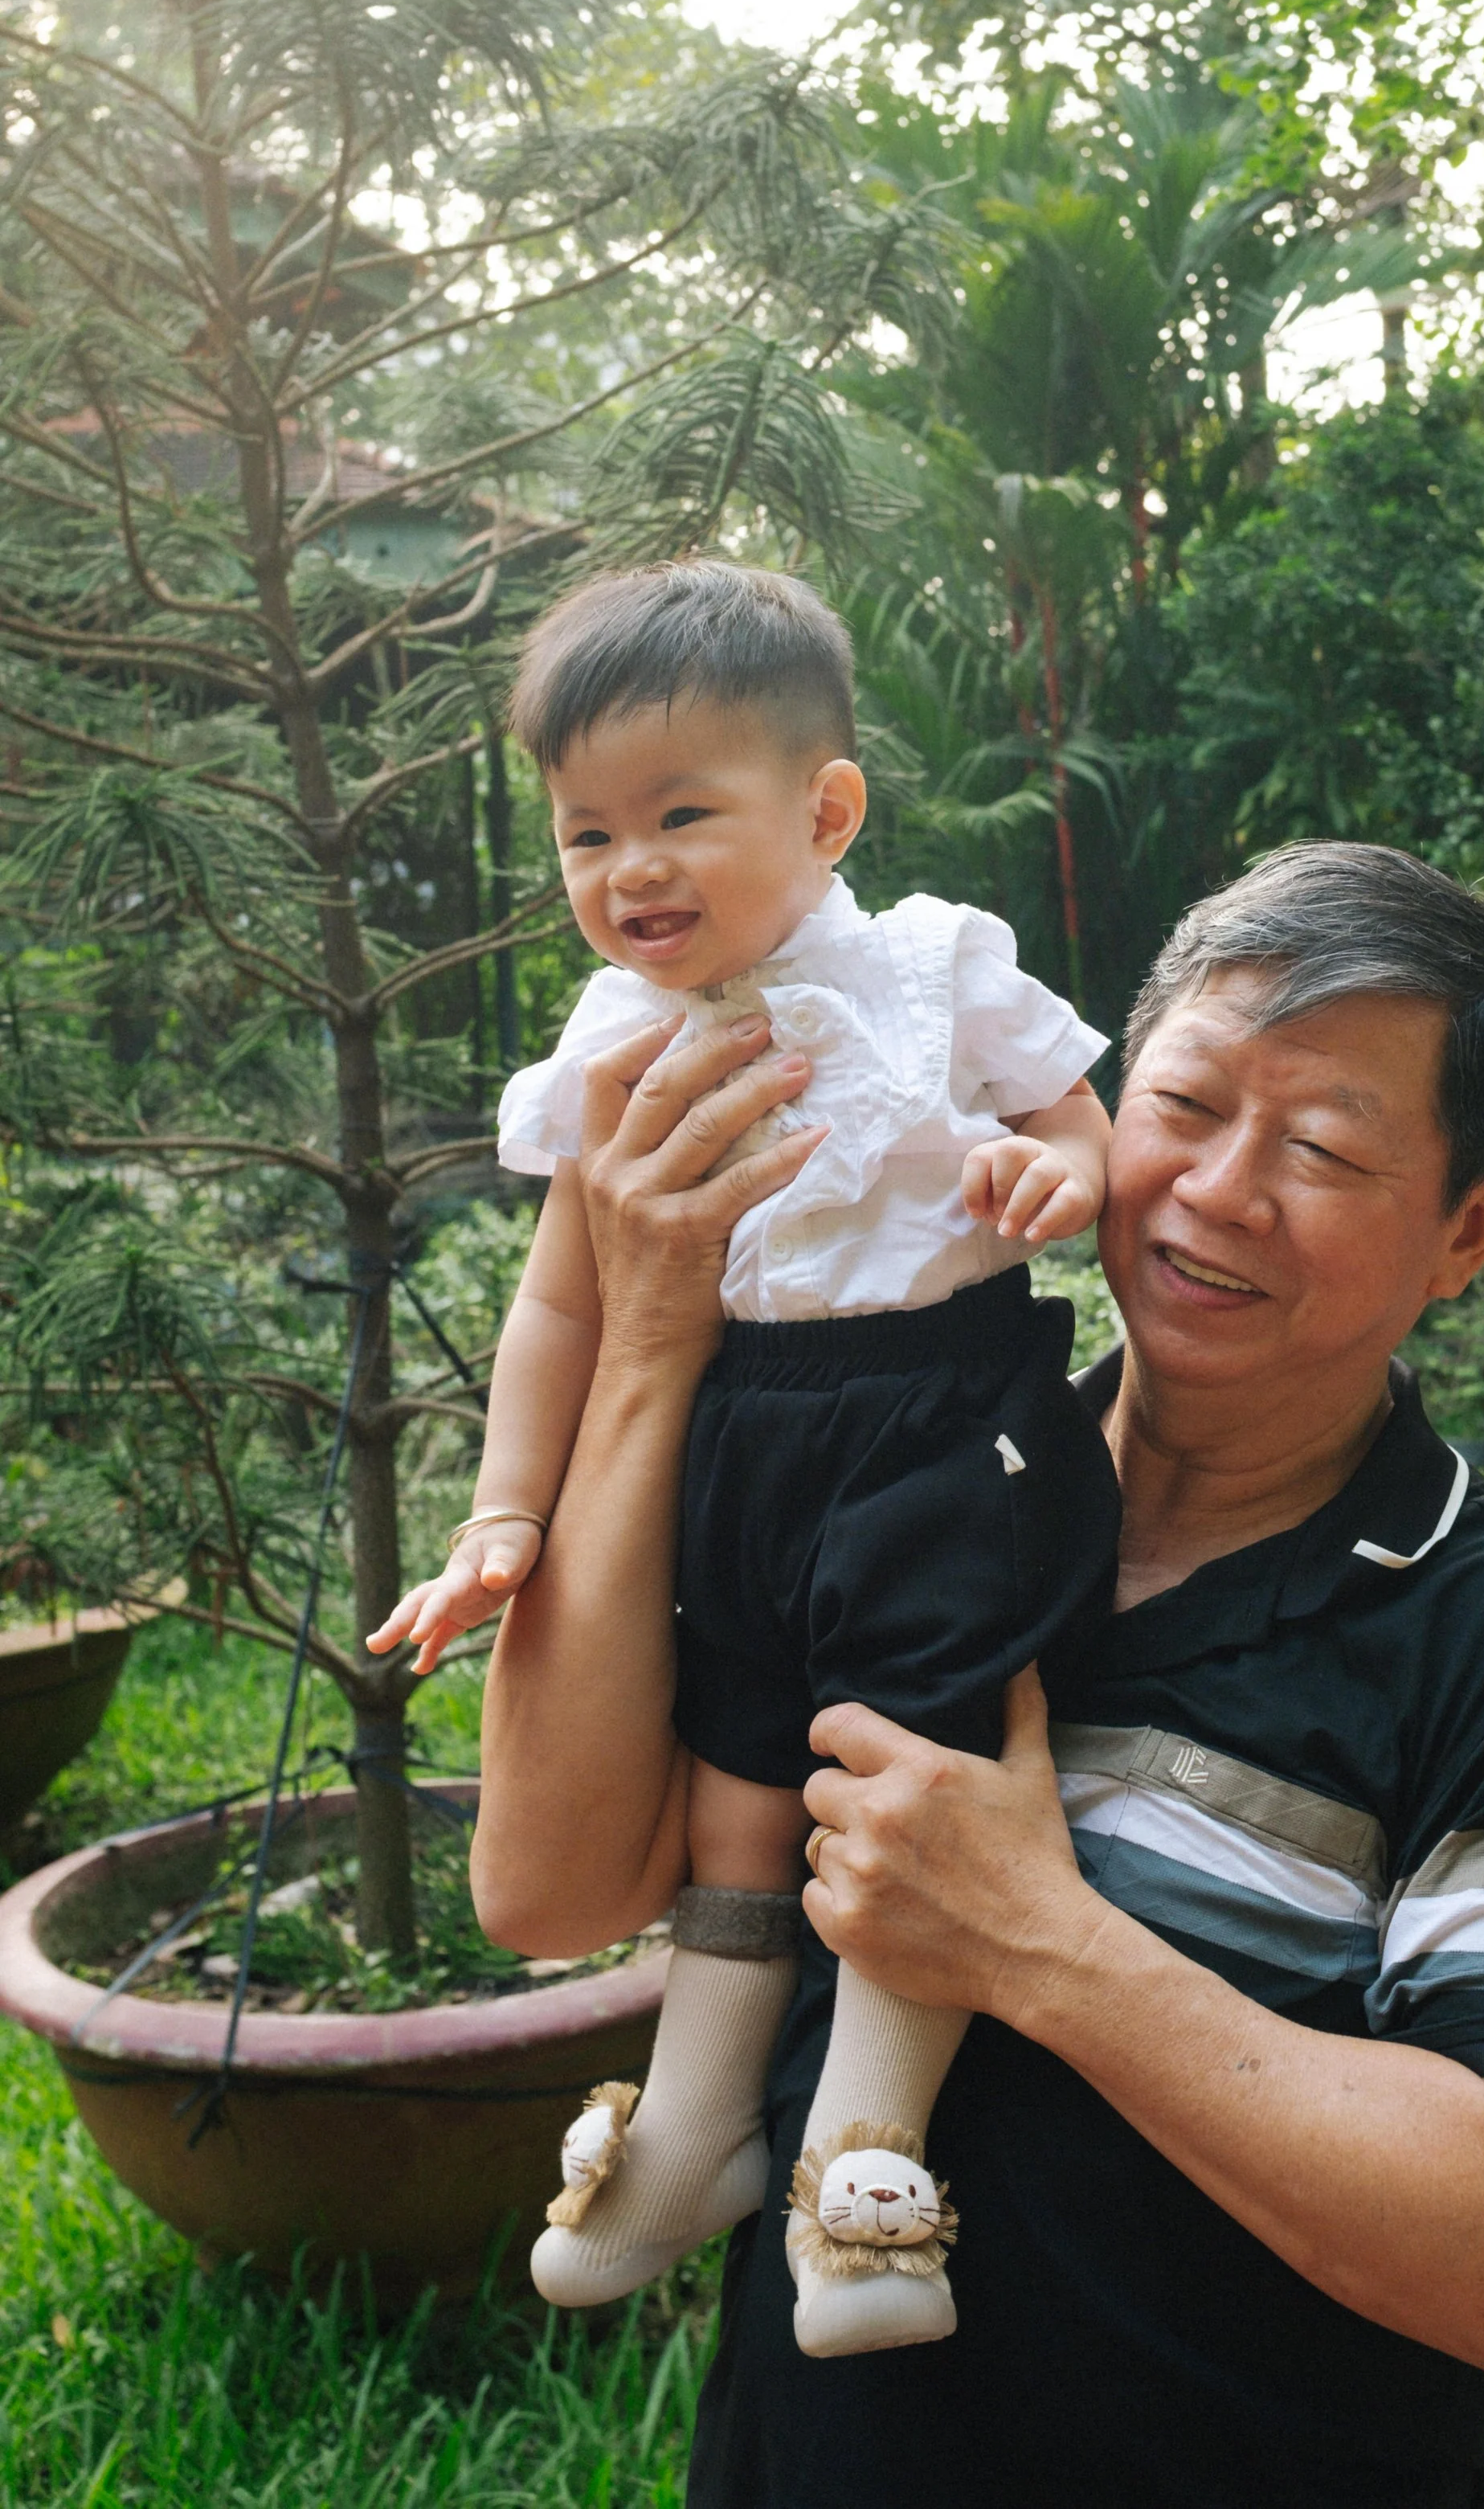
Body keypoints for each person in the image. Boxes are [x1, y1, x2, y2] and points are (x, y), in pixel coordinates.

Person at [472, 841, 1484, 2509]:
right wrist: (653, 1350)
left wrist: (1042, 1945)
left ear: (1467, 1229)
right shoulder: (889, 1497)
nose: (1217, 1190)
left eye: (1321, 1147)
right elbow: (542, 1887)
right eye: (1182, 1106)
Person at [371, 559, 1117, 2355]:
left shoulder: (938, 965)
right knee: (732, 1766)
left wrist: (1062, 1181)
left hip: (938, 1422)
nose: (628, 870)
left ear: (826, 807)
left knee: (897, 1771)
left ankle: (865, 2162)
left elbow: (1082, 1126)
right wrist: (501, 1517)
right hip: (740, 1436)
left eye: (681, 815)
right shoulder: (609, 1044)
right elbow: (562, 1314)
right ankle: (697, 2123)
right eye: (582, 834)